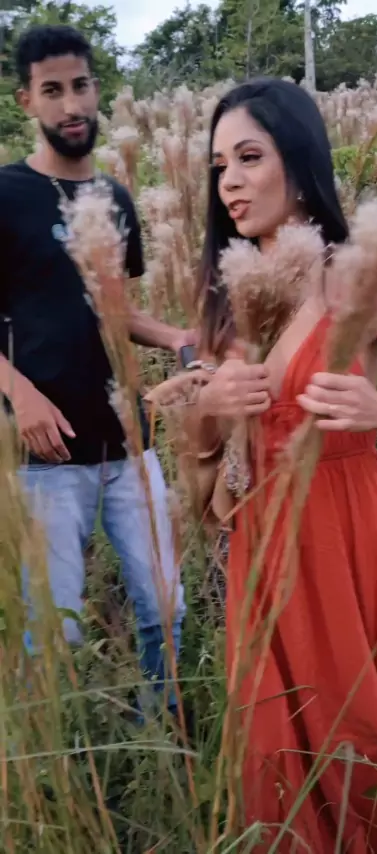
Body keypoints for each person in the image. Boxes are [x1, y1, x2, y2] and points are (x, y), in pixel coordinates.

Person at [164, 78, 377, 850]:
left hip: (352, 535)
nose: (228, 181)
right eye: (218, 165)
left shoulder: (366, 276)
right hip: (263, 543)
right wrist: (209, 407)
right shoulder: (226, 292)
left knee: (365, 733)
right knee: (277, 741)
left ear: (298, 160)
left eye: (248, 157)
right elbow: (203, 469)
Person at [0, 24, 190, 716]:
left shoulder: (114, 198)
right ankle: (63, 758)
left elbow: (116, 312)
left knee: (166, 607)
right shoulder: (6, 193)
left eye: (80, 85)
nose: (71, 103)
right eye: (52, 90)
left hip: (128, 443)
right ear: (27, 101)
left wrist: (178, 336)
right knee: (56, 630)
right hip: (44, 457)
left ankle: (157, 731)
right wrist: (21, 395)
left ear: (96, 88)